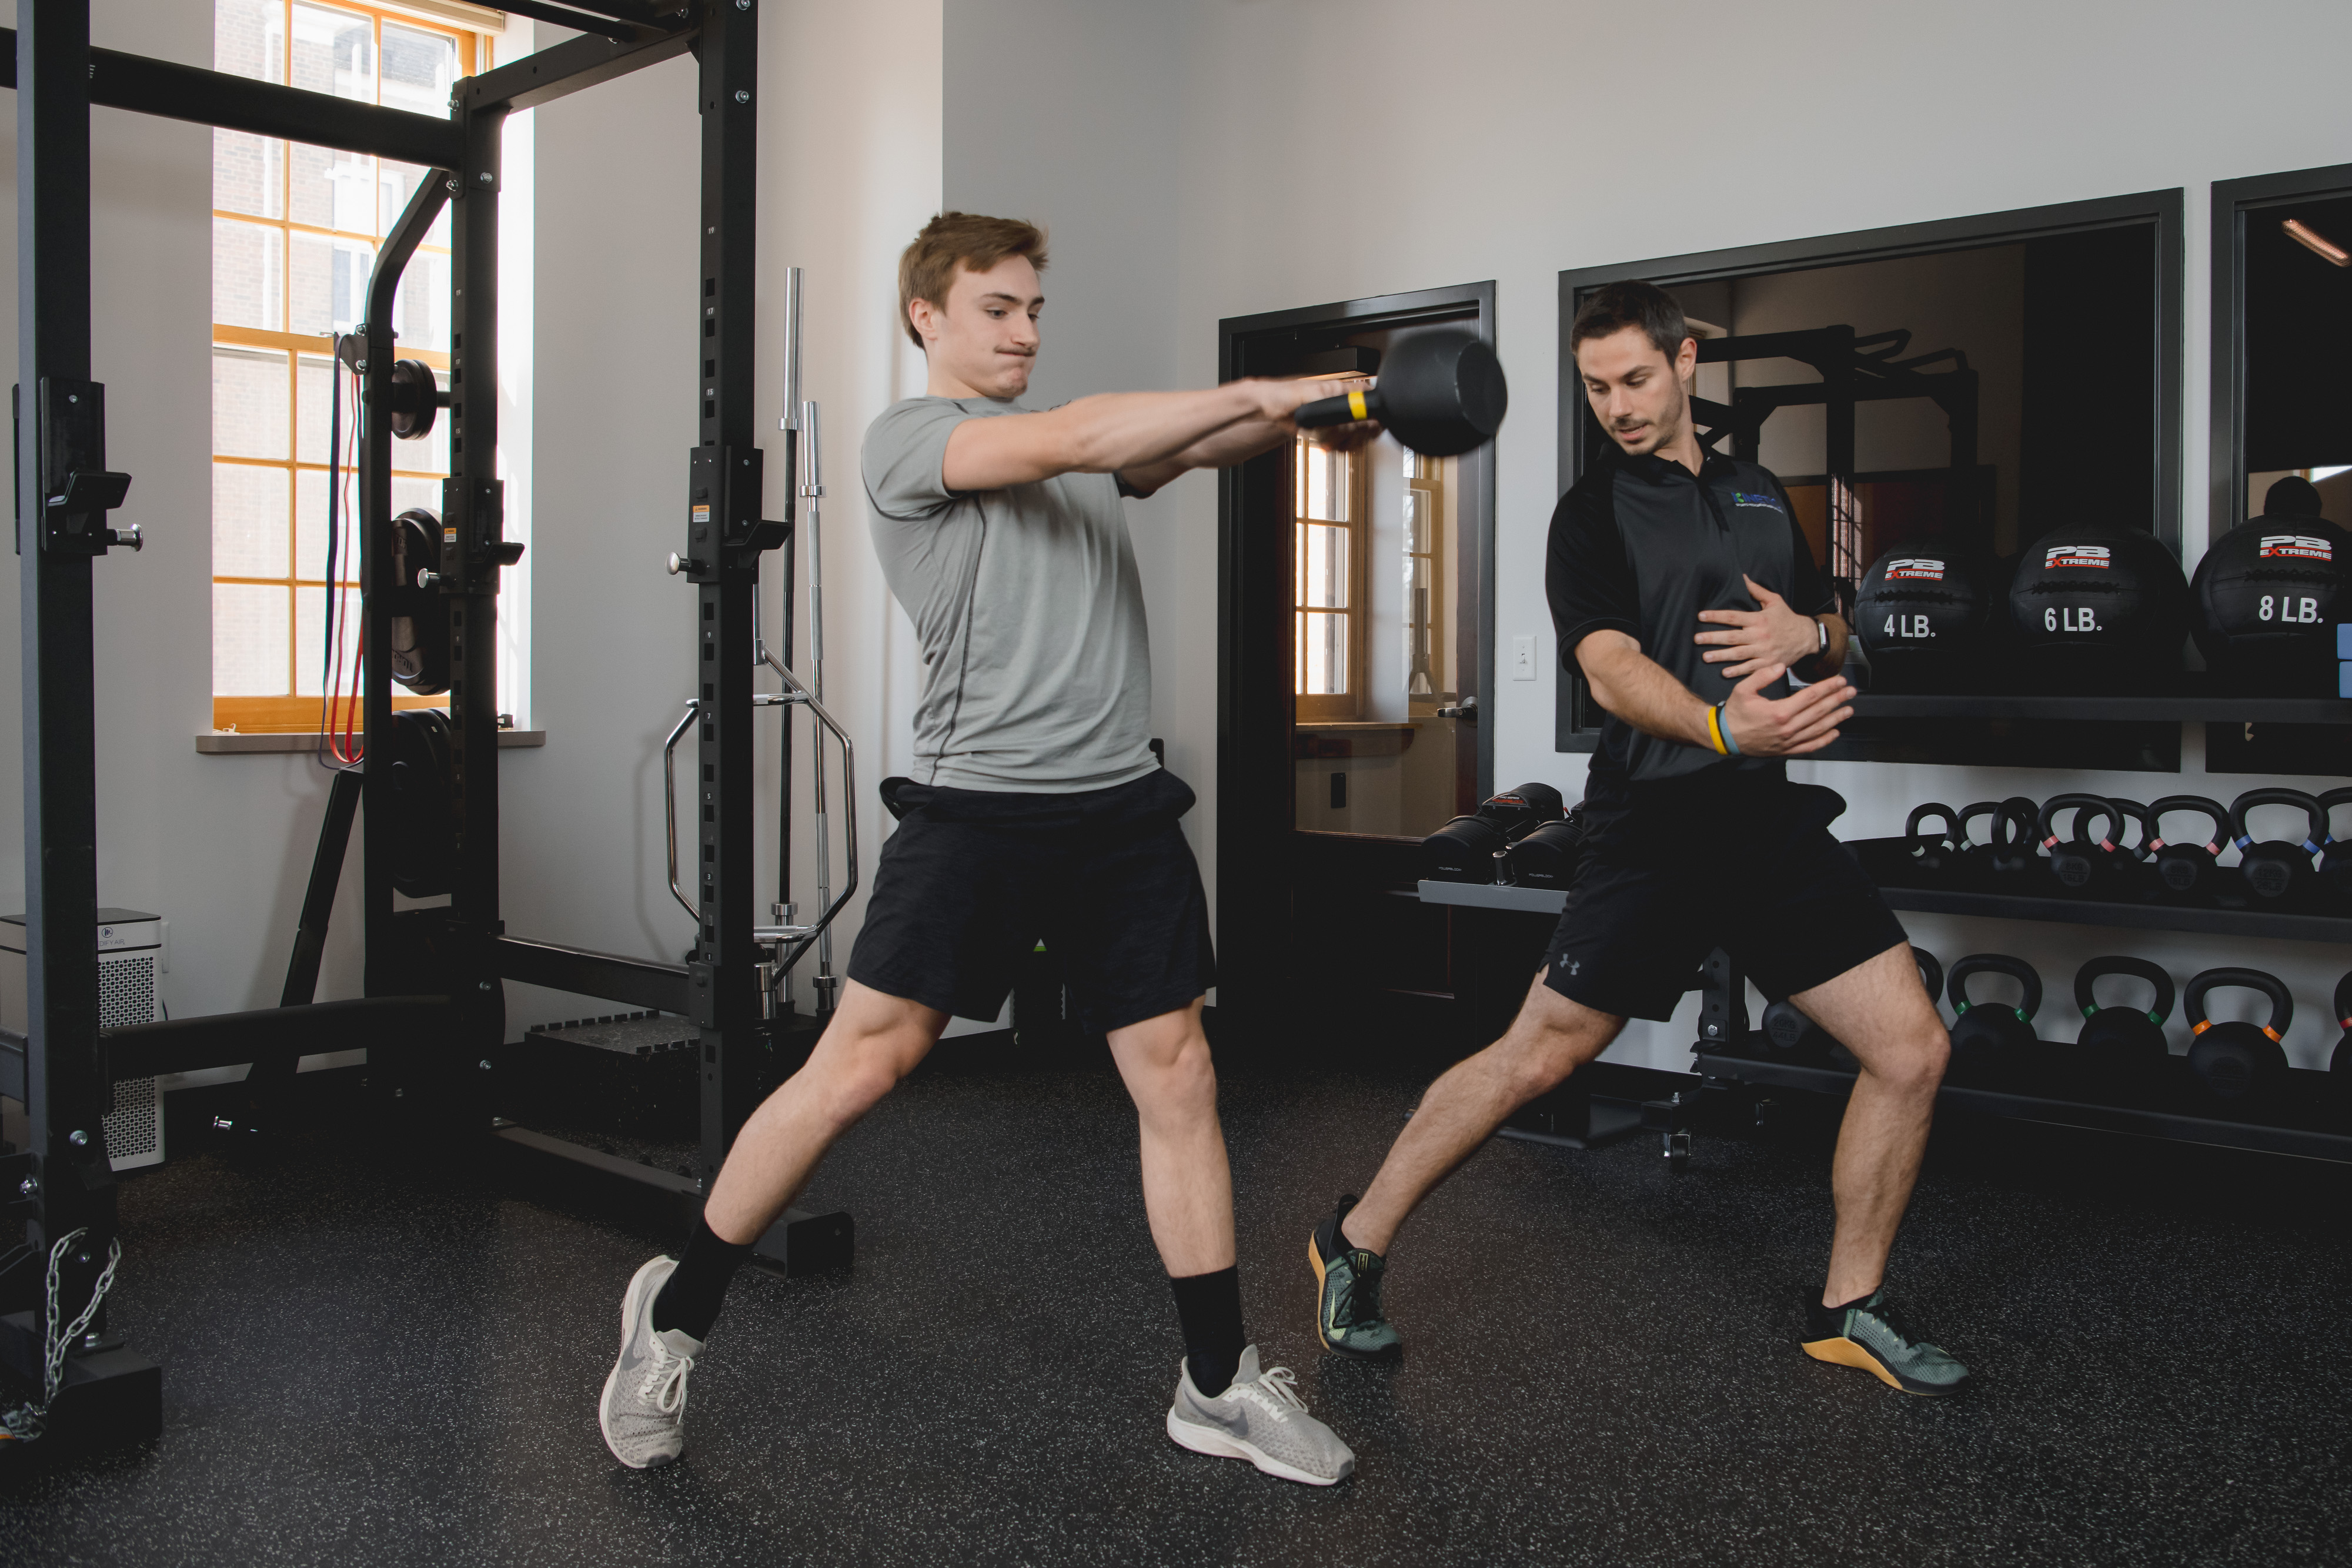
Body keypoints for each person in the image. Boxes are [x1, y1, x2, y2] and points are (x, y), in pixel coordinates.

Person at [600, 212, 1363, 1482]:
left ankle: (1217, 1380)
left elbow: (1186, 444)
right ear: (928, 318)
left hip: (1117, 805)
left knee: (1177, 1073)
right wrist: (1264, 388)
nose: (1023, 330)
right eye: (997, 309)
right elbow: (1077, 435)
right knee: (860, 1065)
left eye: (1032, 310)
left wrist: (1331, 407)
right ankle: (673, 1311)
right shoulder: (912, 441)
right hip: (980, 807)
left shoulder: (1080, 448)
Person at [1305, 279, 1973, 1398]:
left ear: (1686, 362)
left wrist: (1815, 632)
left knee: (1912, 1049)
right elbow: (1609, 665)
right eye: (1596, 386)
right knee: (1543, 1055)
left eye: (1635, 379)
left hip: (1767, 825)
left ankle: (1850, 1306)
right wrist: (1722, 721)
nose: (1616, 404)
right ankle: (1355, 1240)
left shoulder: (1761, 494)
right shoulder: (1591, 513)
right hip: (1653, 824)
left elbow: (1831, 629)